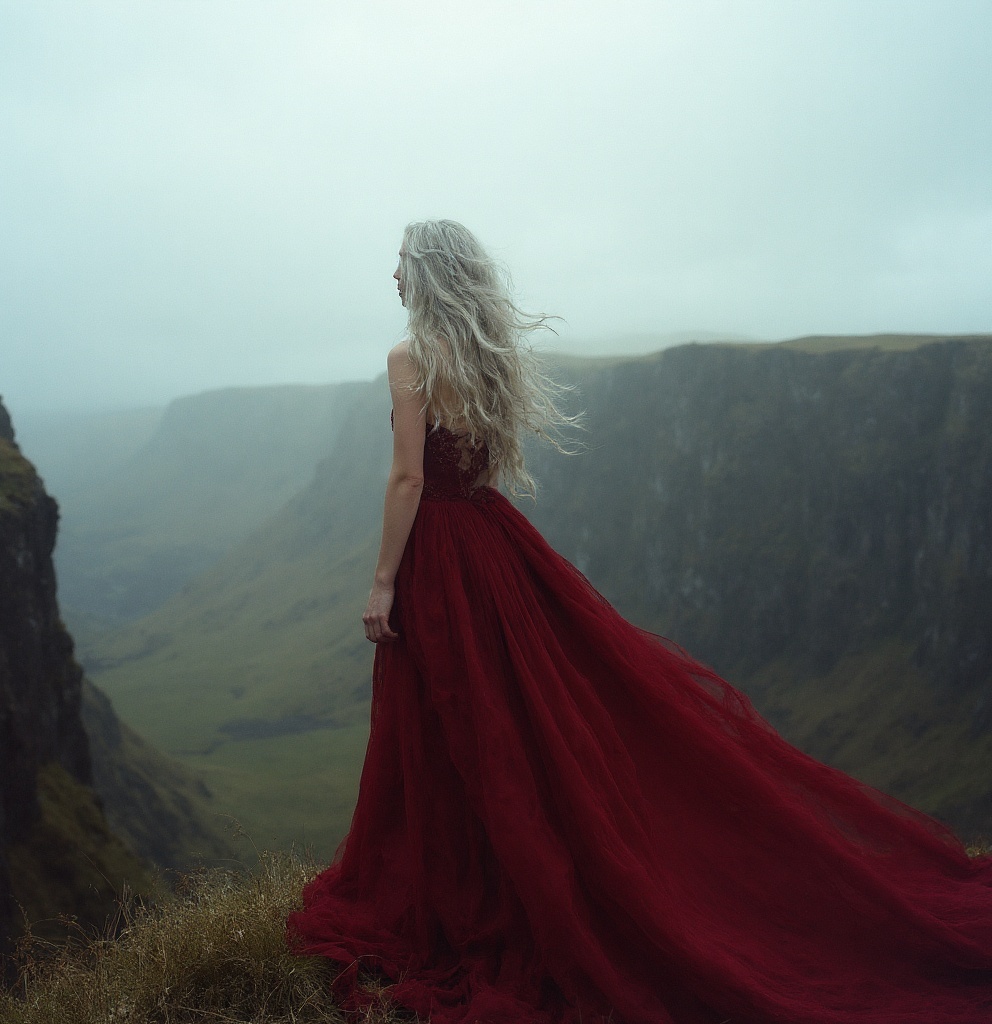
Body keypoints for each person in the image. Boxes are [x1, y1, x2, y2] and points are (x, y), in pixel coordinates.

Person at [287, 220, 992, 1024]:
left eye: (401, 265)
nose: (393, 277)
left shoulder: (410, 358)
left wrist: (383, 582)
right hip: (490, 543)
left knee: (450, 721)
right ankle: (509, 873)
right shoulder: (484, 353)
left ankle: (466, 891)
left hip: (443, 556)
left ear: (427, 274)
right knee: (509, 722)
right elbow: (476, 465)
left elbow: (409, 479)